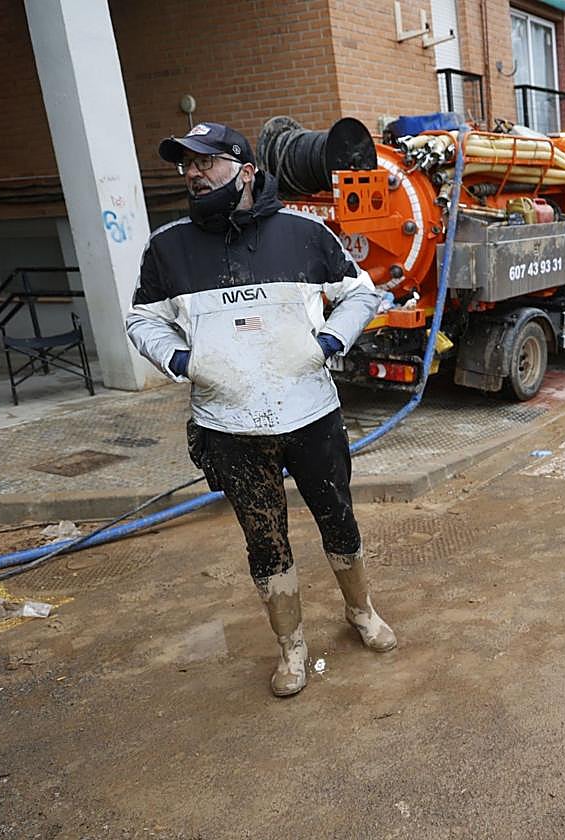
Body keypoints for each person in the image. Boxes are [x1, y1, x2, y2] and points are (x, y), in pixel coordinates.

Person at [126, 122, 396, 698]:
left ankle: (362, 611)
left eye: (206, 162)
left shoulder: (304, 233)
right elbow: (142, 317)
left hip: (311, 414)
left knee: (338, 518)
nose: (194, 173)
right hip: (229, 424)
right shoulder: (168, 246)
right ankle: (291, 647)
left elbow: (360, 291)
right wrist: (180, 359)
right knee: (265, 540)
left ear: (246, 171)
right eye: (187, 164)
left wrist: (330, 341)